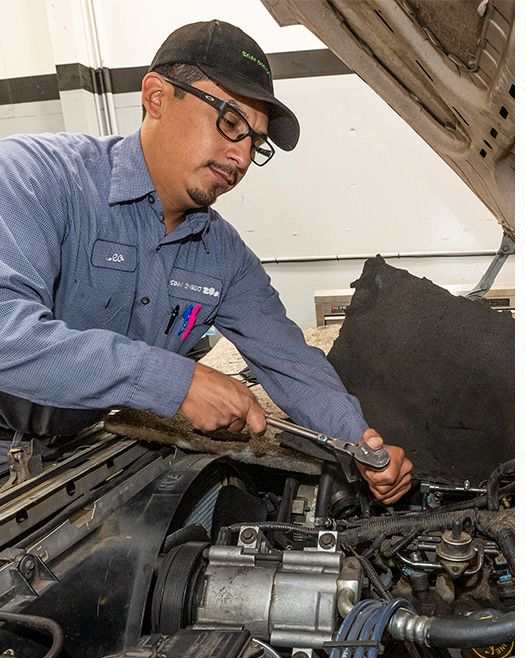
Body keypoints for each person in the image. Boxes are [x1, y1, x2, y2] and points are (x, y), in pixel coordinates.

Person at [0, 19, 412, 503]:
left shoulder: (225, 257)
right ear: (156, 97)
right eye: (230, 122)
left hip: (79, 457)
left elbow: (291, 364)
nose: (239, 156)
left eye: (255, 143)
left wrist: (361, 445)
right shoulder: (35, 177)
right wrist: (173, 380)